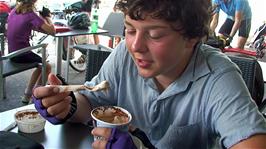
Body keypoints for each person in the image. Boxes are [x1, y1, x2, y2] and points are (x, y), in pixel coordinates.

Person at [33, 0, 266, 148]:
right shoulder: (124, 53)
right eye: (130, 30)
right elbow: (93, 101)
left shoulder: (217, 76)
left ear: (192, 37)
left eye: (154, 35)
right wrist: (68, 105)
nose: (135, 46)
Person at [7, 0, 55, 104]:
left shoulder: (14, 11)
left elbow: (24, 27)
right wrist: (47, 16)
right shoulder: (30, 14)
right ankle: (37, 95)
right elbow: (52, 31)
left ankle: (27, 95)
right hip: (22, 53)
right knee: (46, 66)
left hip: (11, 53)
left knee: (40, 64)